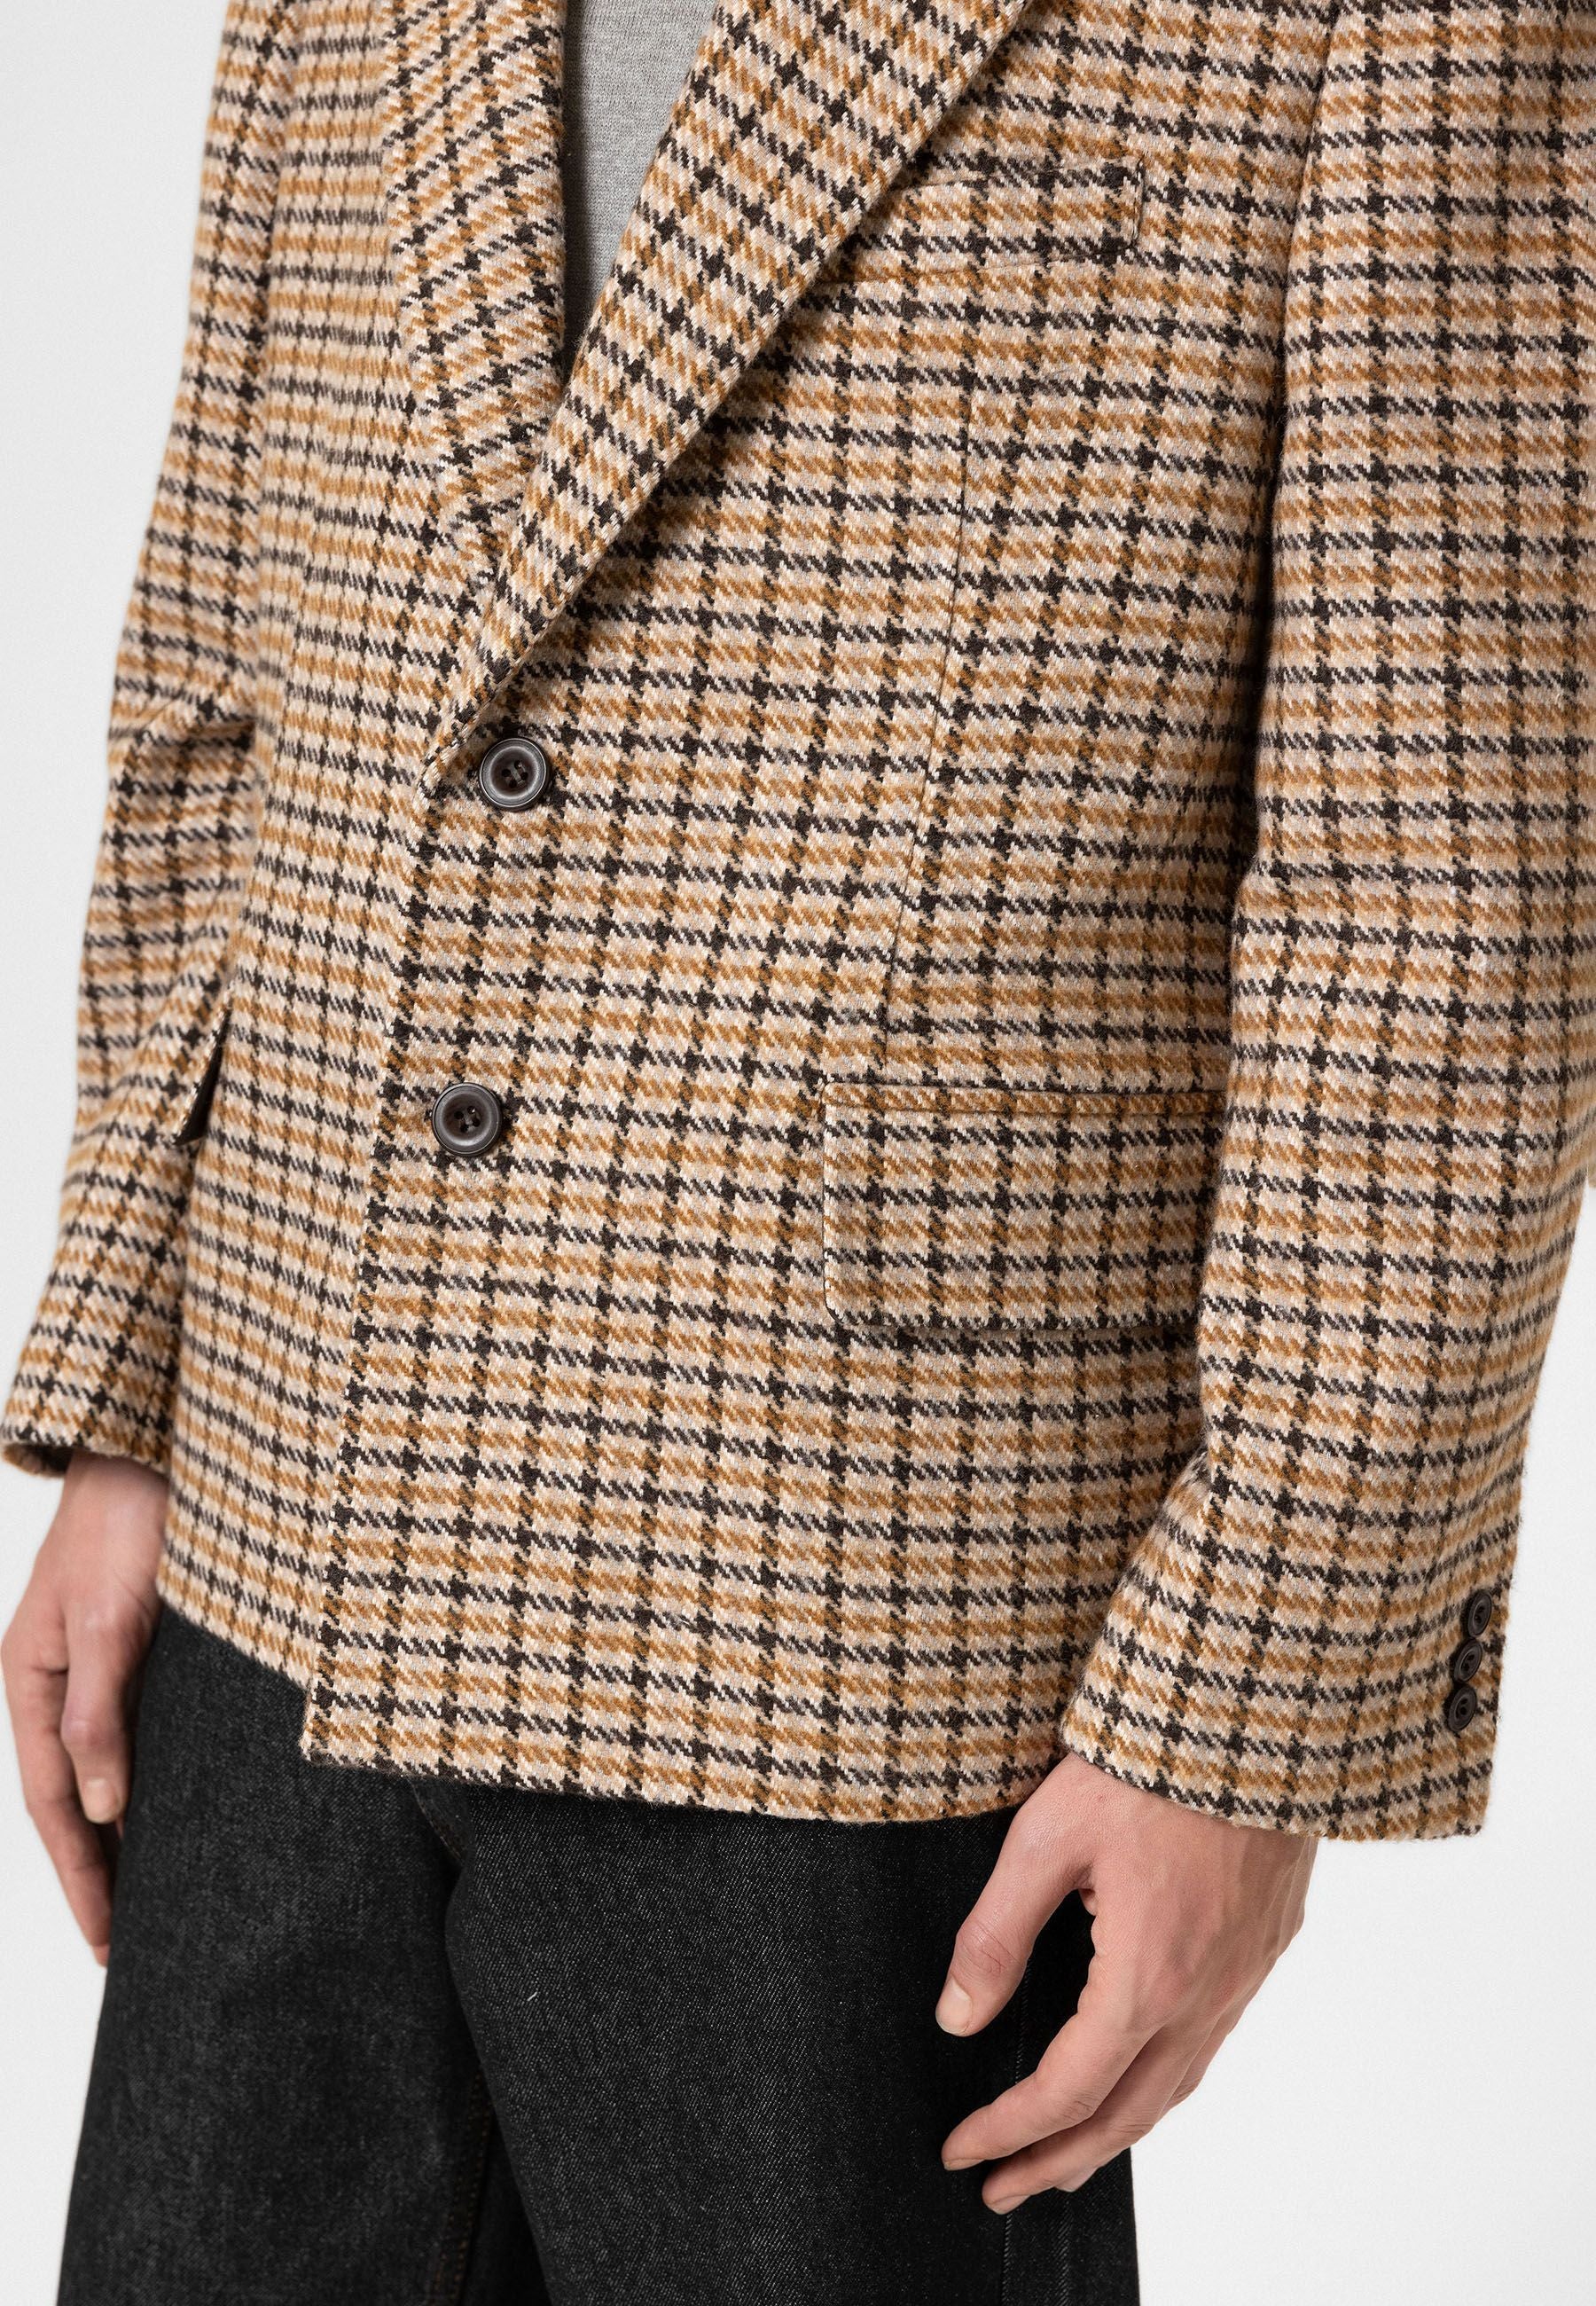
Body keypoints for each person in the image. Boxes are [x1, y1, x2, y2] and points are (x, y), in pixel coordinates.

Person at [3, 1, 1590, 2300]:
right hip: (280, 1502)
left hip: (851, 1593)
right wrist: (130, 1391)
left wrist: (1249, 1701)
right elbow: (218, 671)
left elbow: (1443, 887)